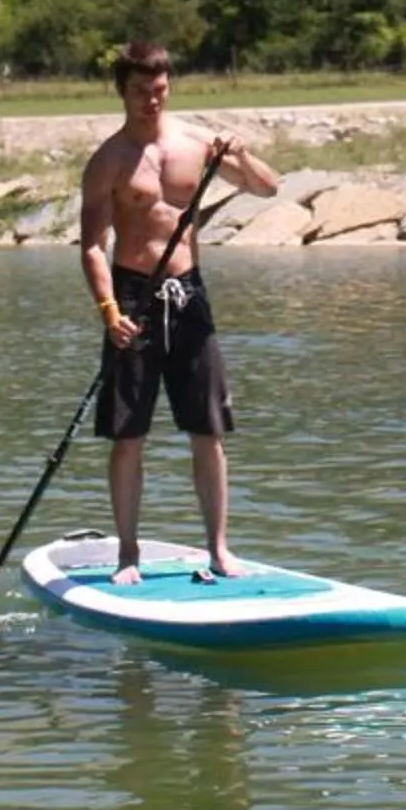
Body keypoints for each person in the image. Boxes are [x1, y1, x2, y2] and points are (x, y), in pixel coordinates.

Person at [78, 41, 280, 583]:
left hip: (188, 296)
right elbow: (93, 245)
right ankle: (126, 555)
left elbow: (267, 188)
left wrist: (238, 155)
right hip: (132, 299)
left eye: (161, 90)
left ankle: (218, 550)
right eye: (142, 91)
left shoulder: (197, 142)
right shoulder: (108, 161)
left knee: (207, 429)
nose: (153, 100)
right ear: (122, 90)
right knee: (128, 436)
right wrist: (108, 309)